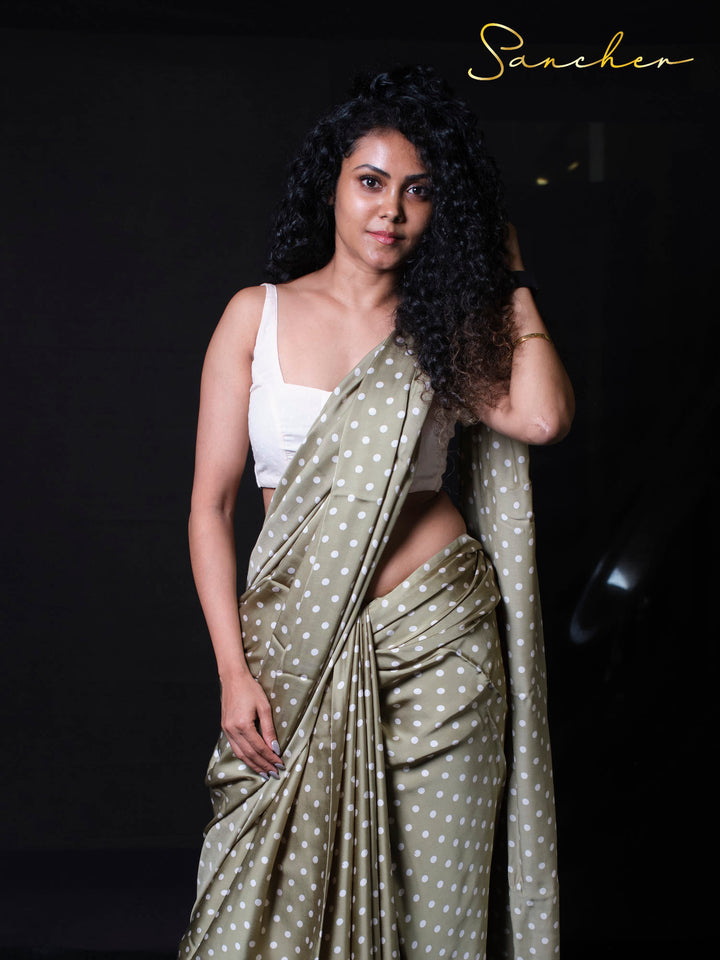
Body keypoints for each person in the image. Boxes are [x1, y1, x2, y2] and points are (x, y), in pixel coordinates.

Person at [179, 65, 574, 960]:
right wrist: (233, 673)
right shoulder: (257, 315)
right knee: (268, 913)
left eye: (418, 192)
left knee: (439, 916)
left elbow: (543, 417)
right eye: (370, 182)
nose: (389, 209)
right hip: (296, 653)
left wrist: (511, 276)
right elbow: (210, 508)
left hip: (443, 655)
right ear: (333, 185)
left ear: (443, 211)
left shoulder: (445, 328)